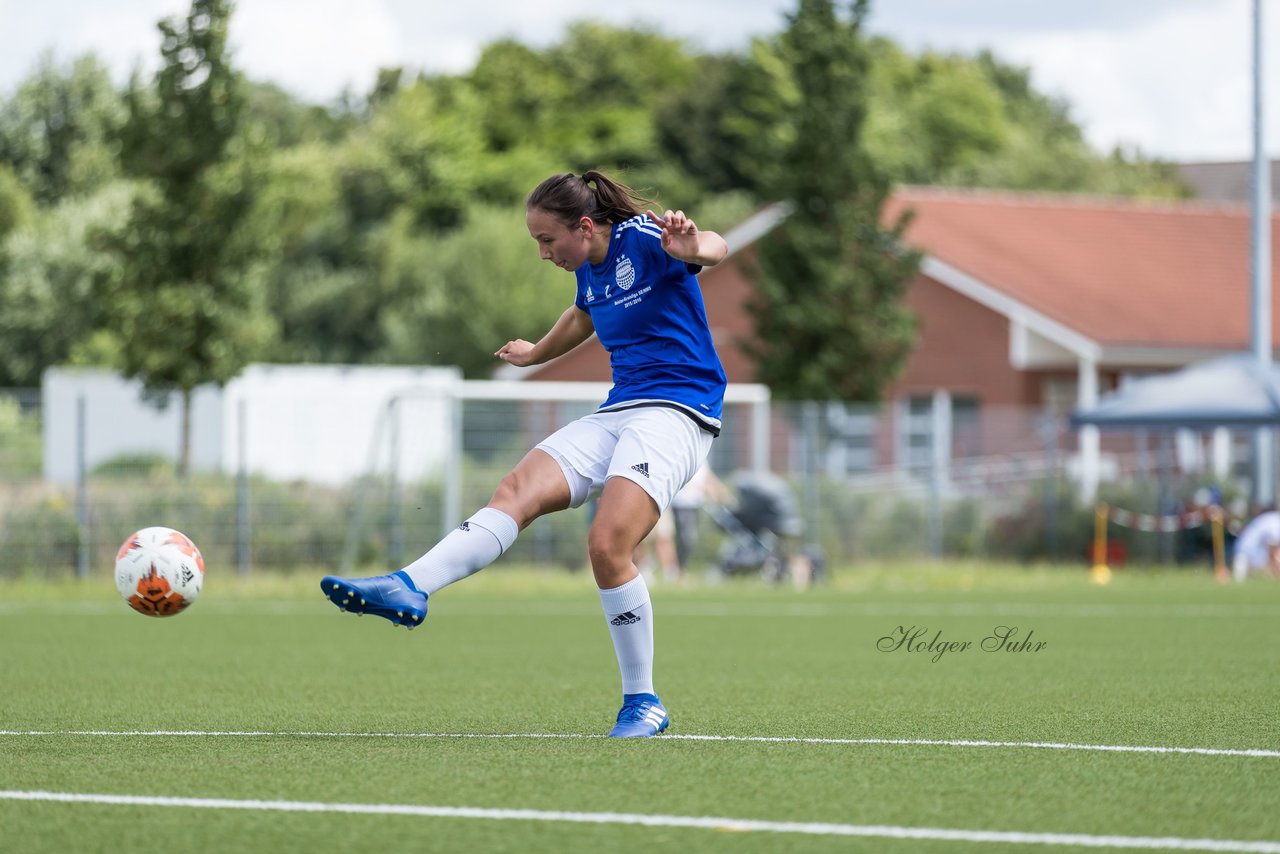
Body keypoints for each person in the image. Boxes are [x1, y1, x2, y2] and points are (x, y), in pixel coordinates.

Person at [321, 169, 728, 738]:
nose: (542, 253)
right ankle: (409, 586)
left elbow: (712, 246)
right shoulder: (589, 267)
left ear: (584, 227)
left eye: (546, 240)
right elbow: (583, 314)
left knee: (608, 543)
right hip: (622, 408)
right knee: (515, 491)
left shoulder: (643, 237)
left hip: (678, 411)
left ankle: (643, 702)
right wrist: (537, 352)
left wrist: (695, 248)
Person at [1231, 508, 1280, 582]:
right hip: (1250, 550)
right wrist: (1276, 569)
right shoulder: (1275, 522)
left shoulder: (1272, 518)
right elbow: (1272, 549)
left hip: (1243, 547)